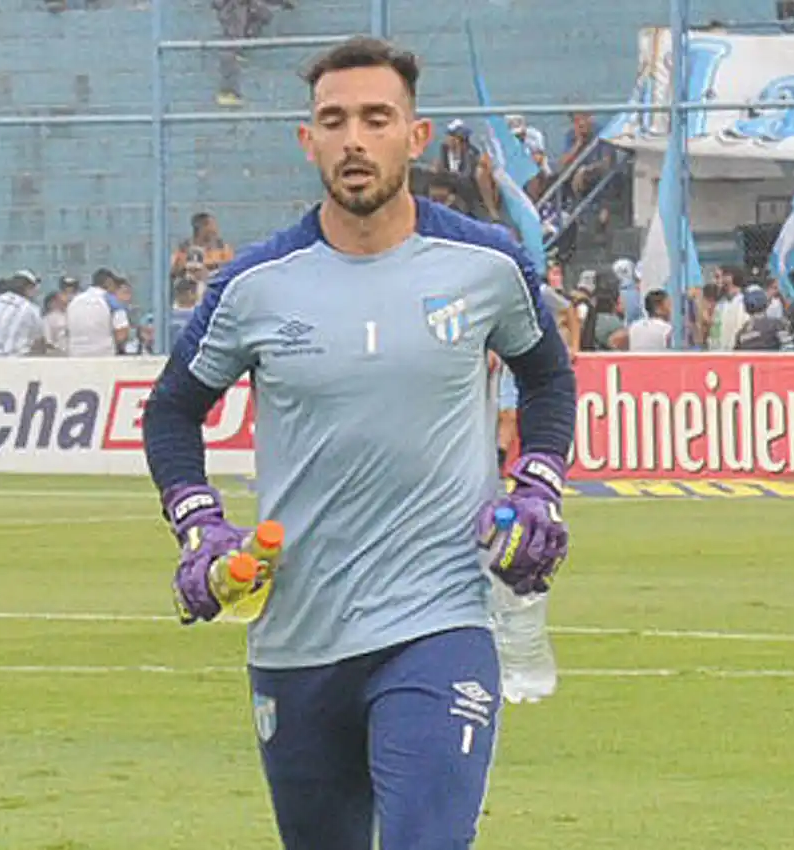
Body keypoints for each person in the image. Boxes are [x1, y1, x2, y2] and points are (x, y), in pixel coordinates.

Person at [140, 37, 576, 850]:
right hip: (296, 639)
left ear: (416, 135)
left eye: (376, 118)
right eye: (333, 121)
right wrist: (201, 525)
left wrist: (537, 486)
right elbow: (170, 412)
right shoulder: (253, 285)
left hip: (439, 621)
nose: (354, 139)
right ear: (307, 141)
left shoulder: (485, 265)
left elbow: (548, 377)